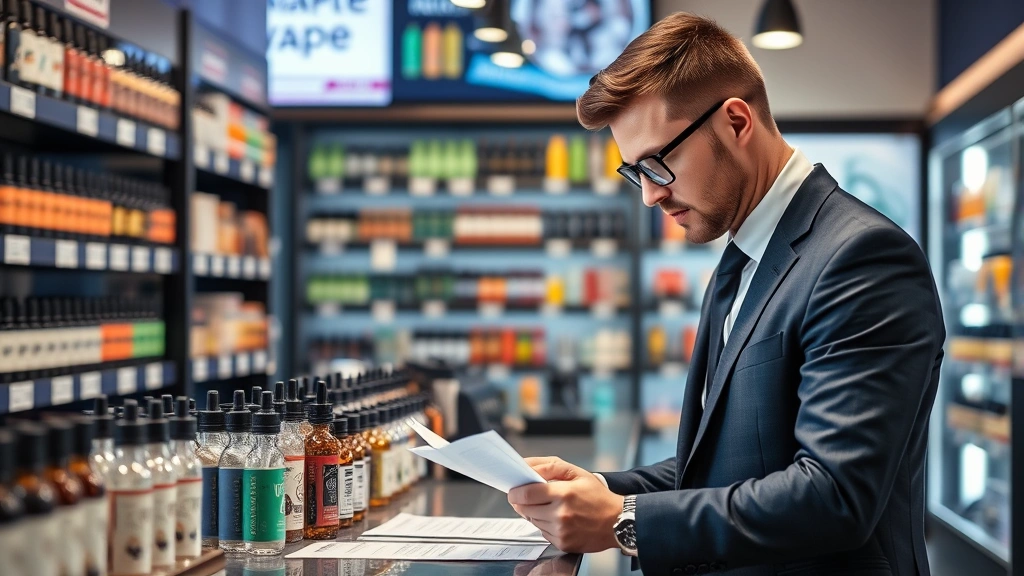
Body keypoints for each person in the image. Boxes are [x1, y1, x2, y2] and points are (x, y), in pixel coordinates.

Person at [508, 12, 944, 576]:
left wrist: (625, 519)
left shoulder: (863, 259)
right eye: (634, 172)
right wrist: (597, 490)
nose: (649, 196)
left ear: (736, 121)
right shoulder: (745, 257)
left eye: (658, 164)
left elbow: (835, 496)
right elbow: (731, 465)